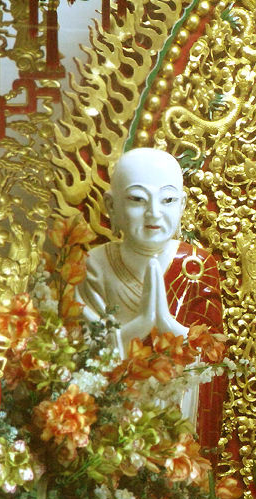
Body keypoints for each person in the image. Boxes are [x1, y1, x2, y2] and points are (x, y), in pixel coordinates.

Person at [78, 147, 223, 449]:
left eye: (168, 199)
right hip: (115, 421)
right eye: (137, 199)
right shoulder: (95, 263)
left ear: (182, 205)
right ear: (111, 206)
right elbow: (83, 357)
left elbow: (212, 358)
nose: (154, 213)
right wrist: (138, 327)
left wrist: (171, 327)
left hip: (177, 411)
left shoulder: (196, 265)